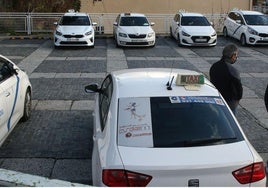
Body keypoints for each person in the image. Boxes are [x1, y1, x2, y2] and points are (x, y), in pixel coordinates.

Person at [209, 44, 243, 116]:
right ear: (233, 56)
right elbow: (239, 90)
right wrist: (237, 101)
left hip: (216, 100)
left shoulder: (214, 66)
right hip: (230, 103)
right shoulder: (233, 70)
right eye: (236, 55)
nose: (236, 57)